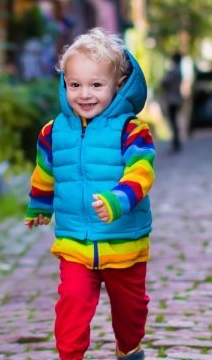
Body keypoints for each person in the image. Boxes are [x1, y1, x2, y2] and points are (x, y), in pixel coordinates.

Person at [25, 28, 155, 360]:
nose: (85, 94)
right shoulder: (53, 131)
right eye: (75, 85)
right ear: (64, 84)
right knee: (71, 306)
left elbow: (142, 172)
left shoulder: (131, 130)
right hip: (75, 243)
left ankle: (129, 348)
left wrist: (118, 200)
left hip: (124, 240)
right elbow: (46, 171)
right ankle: (70, 356)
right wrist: (39, 205)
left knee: (131, 311)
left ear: (118, 87)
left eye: (96, 85)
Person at [161, 51, 184, 153]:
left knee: (173, 122)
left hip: (172, 99)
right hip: (177, 98)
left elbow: (164, 82)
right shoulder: (180, 71)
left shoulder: (174, 71)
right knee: (175, 121)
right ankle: (176, 142)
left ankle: (175, 143)